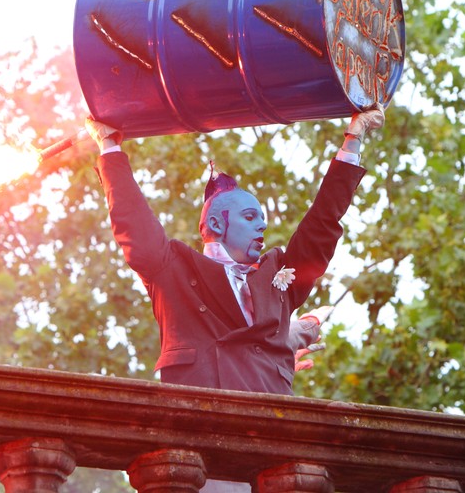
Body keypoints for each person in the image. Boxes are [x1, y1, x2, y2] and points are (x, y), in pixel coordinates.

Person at [86, 107, 385, 397]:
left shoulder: (278, 278)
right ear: (216, 222)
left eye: (263, 221)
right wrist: (109, 146)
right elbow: (133, 220)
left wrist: (354, 138)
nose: (262, 227)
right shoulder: (173, 271)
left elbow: (321, 225)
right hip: (201, 423)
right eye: (250, 217)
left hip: (271, 427)